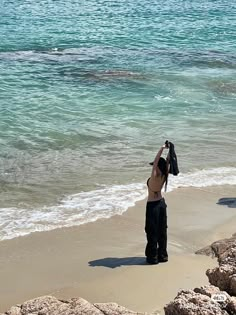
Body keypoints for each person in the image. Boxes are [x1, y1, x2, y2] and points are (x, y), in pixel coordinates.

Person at [145, 142, 170, 264]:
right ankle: (163, 256)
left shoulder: (155, 176)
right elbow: (168, 162)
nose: (153, 167)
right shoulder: (165, 176)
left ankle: (153, 258)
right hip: (161, 204)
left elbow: (156, 162)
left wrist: (162, 149)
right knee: (162, 231)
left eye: (154, 166)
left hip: (153, 206)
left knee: (152, 231)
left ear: (157, 167)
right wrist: (169, 151)